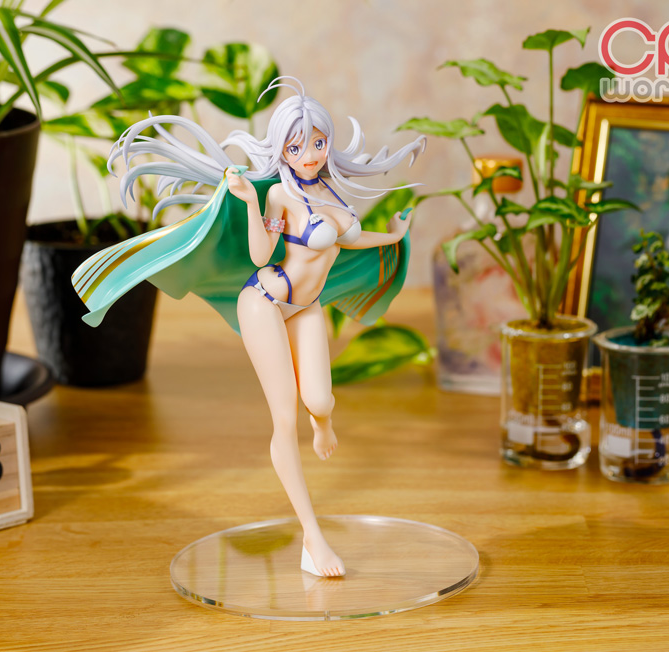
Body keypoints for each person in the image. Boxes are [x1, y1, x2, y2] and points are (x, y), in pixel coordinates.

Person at [72, 77, 425, 577]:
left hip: (306, 306)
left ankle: (322, 423)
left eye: (318, 143)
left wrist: (394, 236)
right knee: (284, 420)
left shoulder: (328, 187)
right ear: (282, 150)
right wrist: (250, 203)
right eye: (296, 147)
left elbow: (349, 239)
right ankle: (313, 539)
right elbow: (262, 255)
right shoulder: (281, 194)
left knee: (321, 401)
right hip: (265, 301)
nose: (309, 155)